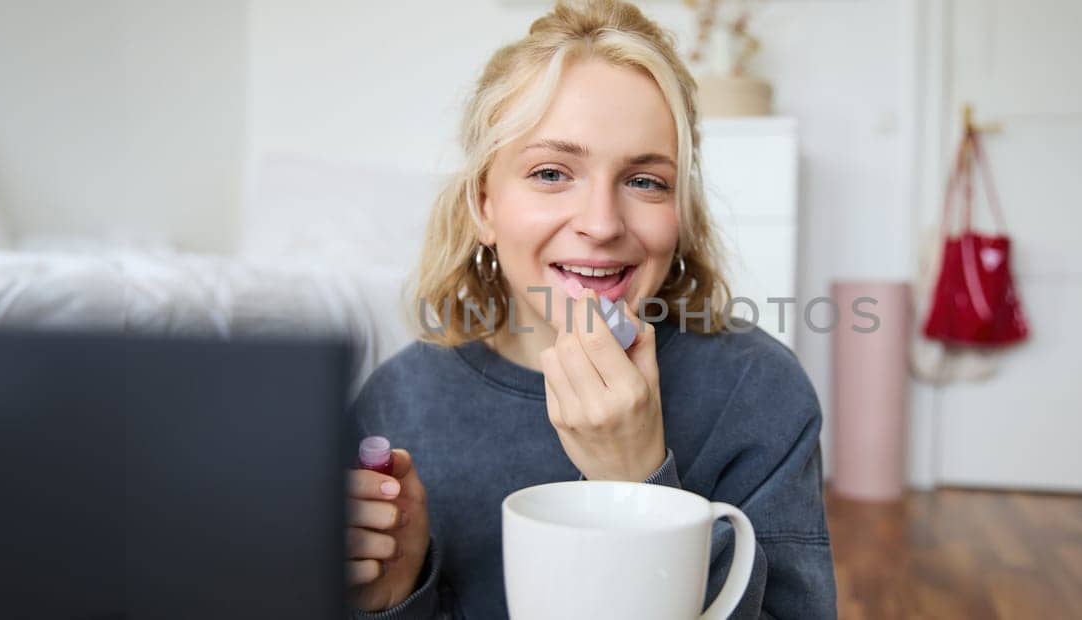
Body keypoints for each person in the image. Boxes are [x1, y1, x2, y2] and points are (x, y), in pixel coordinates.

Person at [343, 1, 836, 617]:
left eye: (645, 181)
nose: (602, 225)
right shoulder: (397, 402)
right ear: (484, 203)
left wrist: (637, 485)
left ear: (679, 212)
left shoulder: (760, 393)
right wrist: (394, 599)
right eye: (552, 172)